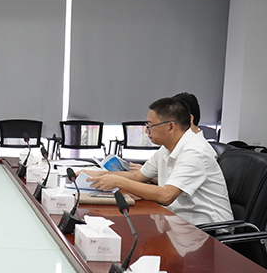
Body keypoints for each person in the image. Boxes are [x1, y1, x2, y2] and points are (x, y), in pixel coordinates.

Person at [84, 97, 232, 226]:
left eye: (150, 126)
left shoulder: (195, 151)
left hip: (209, 231)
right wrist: (90, 174)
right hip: (178, 221)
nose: (146, 131)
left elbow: (166, 196)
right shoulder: (166, 148)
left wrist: (118, 181)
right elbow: (137, 176)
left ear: (171, 126)